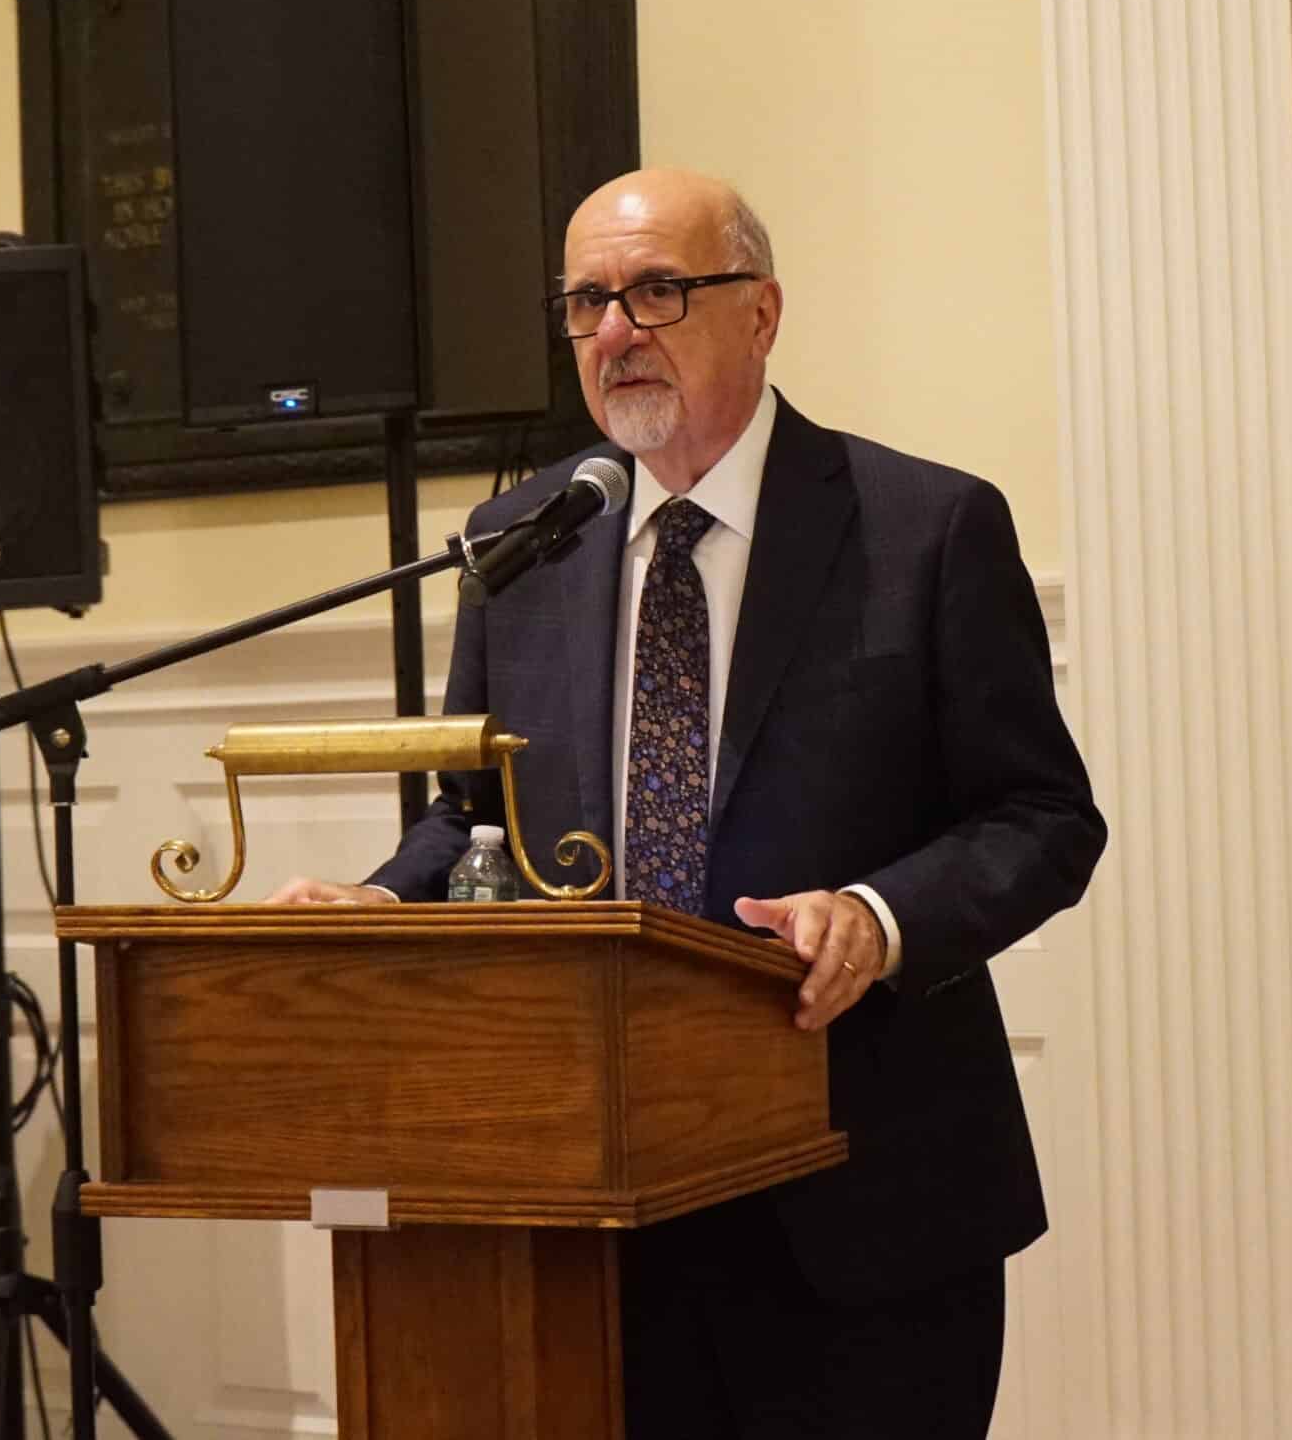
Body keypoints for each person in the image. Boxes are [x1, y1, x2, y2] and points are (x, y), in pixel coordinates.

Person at [269, 167, 1105, 1439]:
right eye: (586, 302)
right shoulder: (525, 538)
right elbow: (468, 812)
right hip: (590, 1204)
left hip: (858, 1194)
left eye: (657, 291)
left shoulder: (923, 526)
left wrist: (879, 917)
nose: (614, 332)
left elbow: (1041, 818)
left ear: (760, 312)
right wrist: (383, 903)